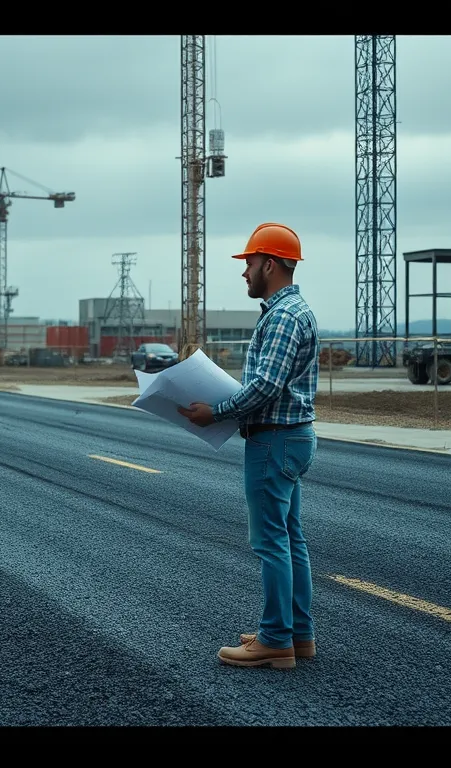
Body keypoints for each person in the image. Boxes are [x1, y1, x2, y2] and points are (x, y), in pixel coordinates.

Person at [178, 223, 319, 669]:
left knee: (271, 541)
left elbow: (265, 387)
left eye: (250, 263)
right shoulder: (294, 311)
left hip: (274, 439)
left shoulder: (282, 317)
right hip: (291, 437)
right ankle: (298, 634)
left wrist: (214, 411)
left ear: (270, 264)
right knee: (290, 538)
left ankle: (276, 640)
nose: (245, 273)